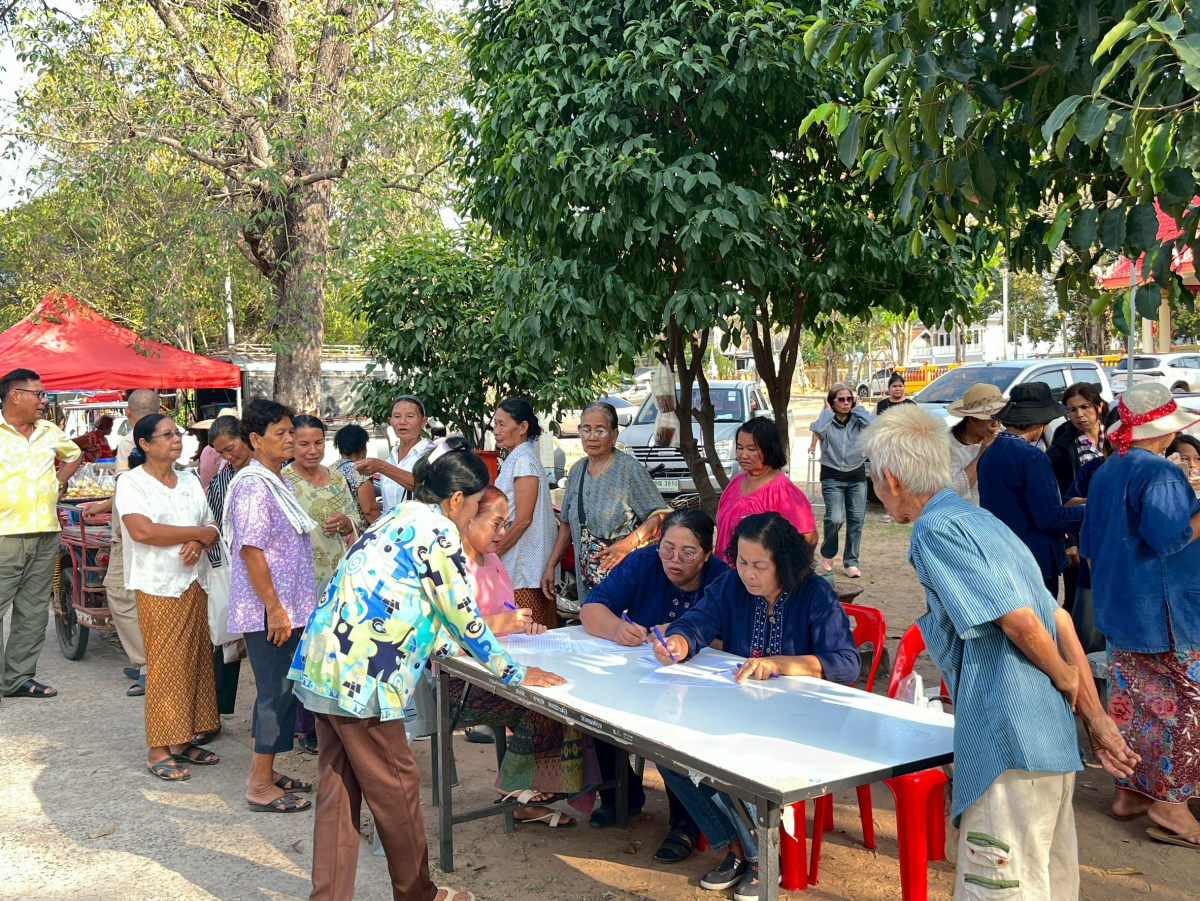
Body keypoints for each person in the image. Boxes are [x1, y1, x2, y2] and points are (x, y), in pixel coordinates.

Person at [860, 404, 1138, 899]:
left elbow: (1020, 620)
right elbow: (1059, 617)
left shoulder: (935, 529)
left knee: (1001, 884)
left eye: (874, 481)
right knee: (1047, 879)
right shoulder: (977, 518)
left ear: (889, 478)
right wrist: (1093, 715)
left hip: (1008, 735)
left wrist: (1066, 678)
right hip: (1046, 736)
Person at [289, 438, 565, 901]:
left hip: (323, 666)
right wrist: (514, 674)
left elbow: (417, 609)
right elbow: (462, 616)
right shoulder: (437, 531)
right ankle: (420, 894)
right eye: (478, 503)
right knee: (397, 788)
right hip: (364, 683)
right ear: (456, 500)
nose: (478, 512)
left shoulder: (395, 518)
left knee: (339, 789)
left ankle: (329, 896)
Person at [652, 512, 859, 901]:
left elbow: (846, 662)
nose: (748, 574)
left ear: (784, 561)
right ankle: (740, 849)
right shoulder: (730, 585)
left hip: (803, 719)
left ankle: (761, 857)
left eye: (759, 565)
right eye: (742, 563)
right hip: (739, 707)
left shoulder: (815, 593)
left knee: (739, 758)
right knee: (665, 749)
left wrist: (783, 664)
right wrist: (678, 642)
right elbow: (698, 622)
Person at [1080, 382, 1200, 848]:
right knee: (1183, 710)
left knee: (1133, 707)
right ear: (1163, 430)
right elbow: (1170, 539)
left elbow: (1089, 547)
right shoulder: (1159, 473)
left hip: (1122, 608)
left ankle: (1128, 793)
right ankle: (1170, 805)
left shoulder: (1109, 470)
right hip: (1165, 614)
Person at [581, 508, 730, 856]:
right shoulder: (644, 562)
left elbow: (735, 644)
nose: (674, 560)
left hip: (704, 689)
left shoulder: (723, 579)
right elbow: (592, 609)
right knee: (594, 707)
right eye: (667, 548)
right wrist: (618, 629)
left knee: (674, 732)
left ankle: (686, 824)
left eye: (688, 552)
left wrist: (687, 639)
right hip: (640, 676)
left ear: (708, 554)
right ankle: (622, 797)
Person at [448, 485, 597, 826]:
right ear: (469, 517)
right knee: (545, 707)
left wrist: (524, 628)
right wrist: (503, 622)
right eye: (496, 524)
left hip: (502, 671)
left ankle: (542, 788)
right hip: (459, 685)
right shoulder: (451, 567)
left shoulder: (495, 562)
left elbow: (505, 622)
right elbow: (445, 639)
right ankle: (518, 792)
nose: (503, 533)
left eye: (505, 524)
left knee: (566, 698)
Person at [116, 413, 223, 781]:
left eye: (176, 433)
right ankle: (158, 748)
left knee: (195, 659)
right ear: (144, 444)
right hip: (157, 584)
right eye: (166, 435)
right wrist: (196, 533)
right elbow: (142, 530)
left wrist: (198, 537)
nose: (175, 439)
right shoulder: (131, 482)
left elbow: (211, 523)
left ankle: (182, 740)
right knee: (166, 665)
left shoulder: (191, 480)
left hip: (194, 581)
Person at [225, 399, 317, 813]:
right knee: (274, 693)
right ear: (256, 439)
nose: (290, 439)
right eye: (280, 433)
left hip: (288, 607)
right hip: (272, 610)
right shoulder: (251, 485)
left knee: (284, 691)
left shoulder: (274, 480)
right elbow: (251, 551)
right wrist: (274, 609)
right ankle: (259, 784)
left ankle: (269, 770)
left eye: (289, 431)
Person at [0, 368, 83, 701]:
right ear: (15, 395)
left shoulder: (50, 432)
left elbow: (74, 455)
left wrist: (58, 482)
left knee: (33, 609)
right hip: (4, 535)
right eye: (39, 395)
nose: (44, 401)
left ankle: (18, 678)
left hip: (47, 532)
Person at [542, 401, 667, 604]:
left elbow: (659, 514)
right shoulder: (576, 471)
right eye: (586, 429)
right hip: (587, 581)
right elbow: (566, 525)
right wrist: (551, 566)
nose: (591, 437)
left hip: (624, 578)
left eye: (600, 430)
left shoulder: (628, 470)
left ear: (614, 435)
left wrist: (627, 545)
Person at [85, 389, 164, 695]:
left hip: (133, 530)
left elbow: (129, 487)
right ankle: (147, 660)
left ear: (129, 414)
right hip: (149, 528)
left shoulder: (134, 441)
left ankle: (148, 665)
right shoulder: (164, 435)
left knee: (121, 594)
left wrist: (110, 513)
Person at [977, 382, 1084, 601]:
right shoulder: (1032, 457)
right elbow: (1050, 517)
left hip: (1002, 553)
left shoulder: (990, 451)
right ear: (1039, 420)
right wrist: (1092, 510)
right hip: (1034, 558)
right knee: (1039, 624)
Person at [492, 397, 558, 627]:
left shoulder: (523, 461)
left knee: (528, 636)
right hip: (520, 565)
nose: (496, 430)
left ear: (522, 427)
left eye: (502, 424)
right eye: (495, 424)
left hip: (523, 568)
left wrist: (493, 554)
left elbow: (523, 520)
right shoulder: (517, 457)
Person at [716, 417, 817, 564]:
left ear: (769, 449)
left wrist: (781, 573)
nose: (743, 455)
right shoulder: (734, 484)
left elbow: (809, 537)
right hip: (726, 578)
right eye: (740, 447)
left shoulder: (783, 491)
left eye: (751, 449)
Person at [205, 412, 253, 718]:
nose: (228, 454)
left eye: (231, 446)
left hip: (272, 569)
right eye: (221, 452)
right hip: (235, 569)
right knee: (224, 640)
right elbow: (213, 522)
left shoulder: (274, 470)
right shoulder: (222, 479)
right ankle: (215, 713)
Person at [808, 382, 872, 577]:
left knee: (856, 521)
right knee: (835, 518)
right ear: (832, 402)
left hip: (856, 476)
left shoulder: (858, 420)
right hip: (832, 476)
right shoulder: (826, 421)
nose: (846, 403)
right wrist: (826, 412)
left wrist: (858, 408)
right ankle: (828, 553)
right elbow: (818, 431)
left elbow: (875, 426)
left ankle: (851, 562)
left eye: (849, 399)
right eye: (841, 399)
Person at [355, 396, 433, 514]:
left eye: (410, 416)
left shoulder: (433, 454)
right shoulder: (391, 458)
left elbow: (427, 487)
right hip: (395, 531)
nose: (402, 422)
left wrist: (382, 467)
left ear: (423, 422)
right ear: (390, 421)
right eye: (397, 416)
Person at [945, 383, 1005, 505]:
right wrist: (980, 457)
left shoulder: (1002, 437)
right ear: (972, 419)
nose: (996, 424)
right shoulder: (947, 445)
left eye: (999, 417)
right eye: (990, 418)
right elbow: (952, 492)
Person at [1048, 384, 1109, 494]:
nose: (1079, 415)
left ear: (1099, 406)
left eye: (1085, 407)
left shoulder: (1118, 438)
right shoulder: (1060, 451)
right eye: (1072, 410)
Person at [332, 424, 381, 526]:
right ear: (362, 446)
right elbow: (370, 510)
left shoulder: (330, 470)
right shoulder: (360, 471)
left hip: (338, 531)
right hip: (358, 533)